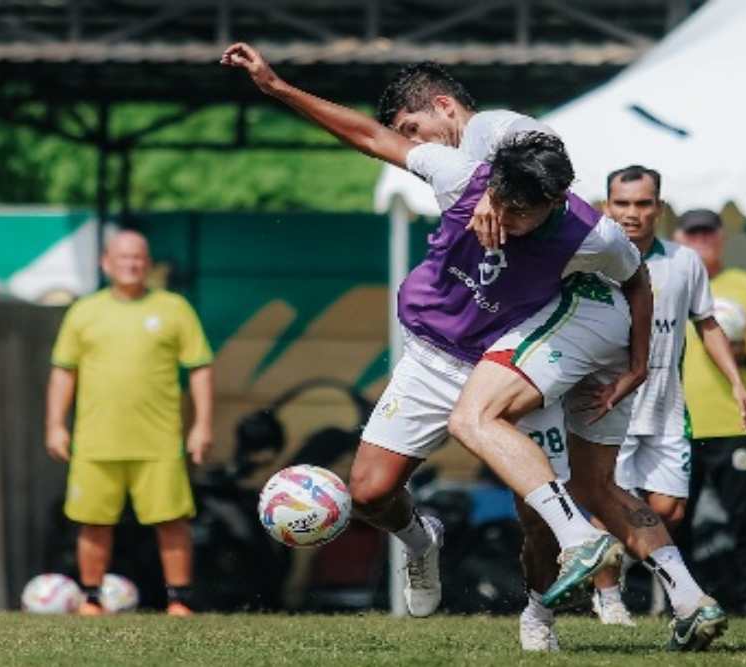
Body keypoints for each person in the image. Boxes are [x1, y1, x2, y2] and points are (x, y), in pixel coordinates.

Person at [221, 44, 671, 639]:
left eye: (413, 127)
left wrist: (638, 364)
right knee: (369, 492)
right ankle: (419, 538)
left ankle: (538, 618)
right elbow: (366, 137)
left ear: (441, 106)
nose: (415, 141)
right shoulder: (455, 172)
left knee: (537, 516)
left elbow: (551, 155)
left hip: (511, 362)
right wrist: (277, 88)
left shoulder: (512, 154)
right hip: (432, 358)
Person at [373, 62, 727, 652]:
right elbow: (638, 282)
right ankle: (691, 598)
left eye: (643, 203)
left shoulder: (490, 135)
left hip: (571, 335)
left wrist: (640, 366)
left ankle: (558, 581)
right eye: (623, 201)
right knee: (600, 489)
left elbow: (636, 279)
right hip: (608, 351)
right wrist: (638, 365)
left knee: (475, 421)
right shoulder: (570, 219)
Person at [581, 167, 746, 626]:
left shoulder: (683, 262)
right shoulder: (589, 260)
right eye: (622, 204)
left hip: (665, 407)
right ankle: (608, 594)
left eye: (642, 204)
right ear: (607, 207)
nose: (632, 214)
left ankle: (599, 557)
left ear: (659, 208)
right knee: (612, 501)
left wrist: (737, 382)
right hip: (609, 406)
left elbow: (707, 323)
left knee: (668, 510)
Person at [46, 229, 214, 616]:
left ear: (149, 264)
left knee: (172, 519)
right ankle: (91, 598)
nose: (131, 264)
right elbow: (63, 372)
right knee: (92, 521)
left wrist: (202, 425)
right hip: (96, 440)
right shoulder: (84, 311)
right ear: (106, 263)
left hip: (158, 441)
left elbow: (200, 369)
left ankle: (179, 600)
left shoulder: (175, 309)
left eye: (138, 257)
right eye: (123, 257)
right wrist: (55, 424)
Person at [675, 209, 746, 616]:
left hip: (732, 422)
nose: (702, 238)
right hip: (674, 424)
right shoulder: (667, 282)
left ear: (722, 237)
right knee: (673, 519)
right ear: (679, 237)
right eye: (693, 232)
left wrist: (743, 352)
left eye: (709, 231)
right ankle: (682, 602)